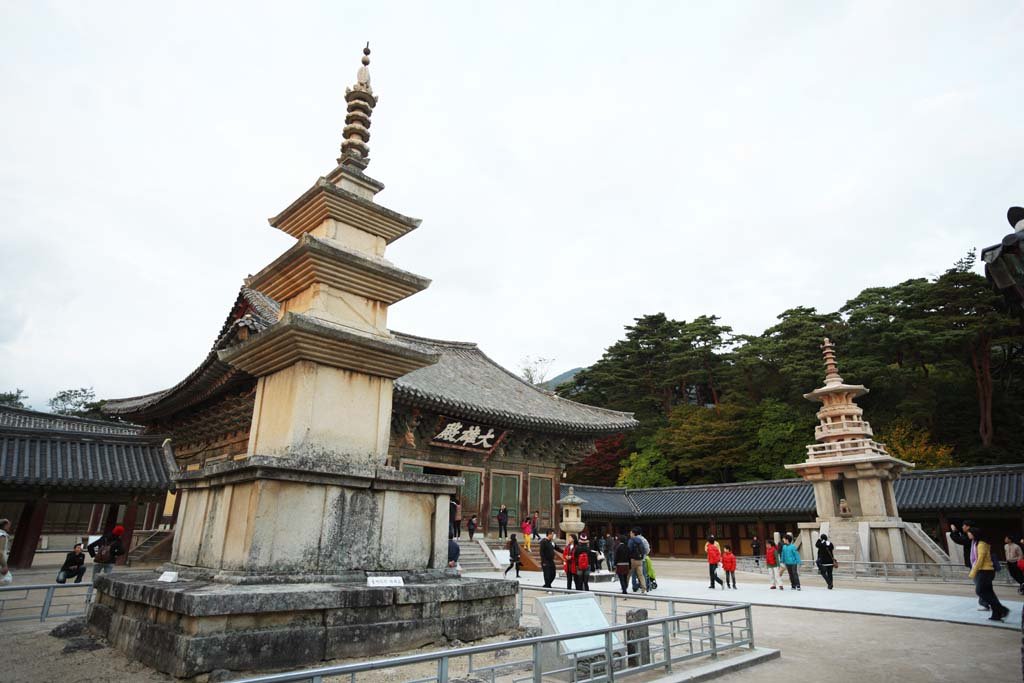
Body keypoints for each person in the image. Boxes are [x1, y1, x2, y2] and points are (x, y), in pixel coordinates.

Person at [968, 527, 1009, 622]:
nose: (968, 534)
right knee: (989, 593)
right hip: (985, 571)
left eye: (969, 533)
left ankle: (1002, 609)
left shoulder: (981, 544)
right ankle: (996, 615)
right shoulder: (977, 543)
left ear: (974, 534)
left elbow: (980, 559)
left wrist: (973, 572)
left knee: (980, 591)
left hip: (985, 571)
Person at [627, 528, 648, 593]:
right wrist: (642, 556)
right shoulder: (640, 540)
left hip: (633, 560)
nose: (630, 534)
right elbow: (644, 550)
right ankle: (644, 588)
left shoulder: (631, 540)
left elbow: (629, 549)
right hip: (640, 560)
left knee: (629, 574)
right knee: (641, 575)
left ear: (633, 533)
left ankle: (626, 587)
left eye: (631, 533)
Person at [0, 518, 10, 584]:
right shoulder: (2, 535)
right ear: (5, 525)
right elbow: (0, 552)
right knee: (8, 579)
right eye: (8, 525)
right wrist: (4, 565)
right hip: (1, 562)